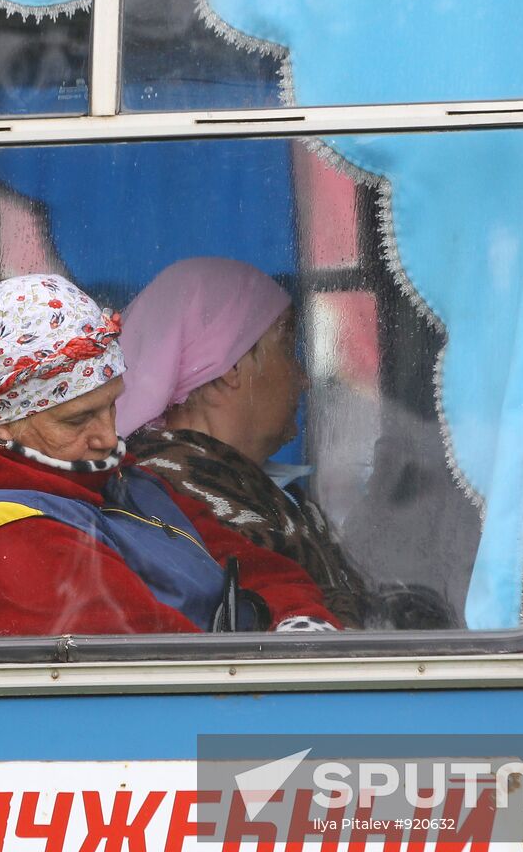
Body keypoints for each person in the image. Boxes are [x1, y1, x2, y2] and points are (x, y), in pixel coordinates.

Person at [0, 273, 338, 637]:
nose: (108, 437)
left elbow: (259, 566)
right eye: (77, 420)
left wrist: (300, 619)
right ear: (3, 422)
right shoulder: (10, 544)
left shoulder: (112, 479)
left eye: (111, 405)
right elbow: (172, 675)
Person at [117, 257, 450, 631]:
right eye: (288, 349)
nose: (303, 379)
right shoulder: (169, 497)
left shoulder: (242, 486)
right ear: (231, 370)